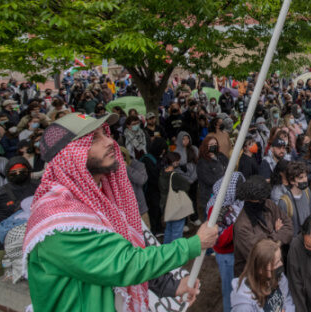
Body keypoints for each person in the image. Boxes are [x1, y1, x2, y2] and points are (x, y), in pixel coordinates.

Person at [24, 112, 218, 311]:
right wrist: (195, 243)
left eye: (105, 133)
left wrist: (172, 286)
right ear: (71, 155)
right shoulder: (60, 219)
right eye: (94, 138)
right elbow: (126, 263)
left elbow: (133, 248)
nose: (109, 141)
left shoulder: (98, 198)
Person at [0, 156, 38, 310]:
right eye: (13, 172)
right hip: (1, 244)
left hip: (34, 240)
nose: (18, 174)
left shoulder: (39, 187)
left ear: (28, 171)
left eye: (22, 171)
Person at [233, 175, 293, 276]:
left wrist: (268, 240)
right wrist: (276, 232)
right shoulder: (242, 226)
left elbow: (289, 227)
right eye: (260, 200)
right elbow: (261, 255)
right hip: (254, 277)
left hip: (275, 269)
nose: (263, 201)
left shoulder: (268, 204)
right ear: (249, 199)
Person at [207, 172, 245, 312]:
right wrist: (238, 224)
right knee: (229, 291)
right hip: (226, 256)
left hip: (238, 252)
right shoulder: (215, 209)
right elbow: (219, 240)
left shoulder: (236, 202)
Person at [230, 238, 295, 312]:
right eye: (276, 263)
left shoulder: (279, 276)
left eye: (280, 259)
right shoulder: (244, 306)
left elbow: (288, 299)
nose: (281, 264)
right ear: (261, 269)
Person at [159, 151, 193, 244]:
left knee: (169, 230)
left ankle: (166, 251)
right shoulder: (174, 176)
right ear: (173, 162)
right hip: (176, 207)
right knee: (177, 232)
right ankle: (176, 253)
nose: (178, 163)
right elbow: (186, 185)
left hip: (166, 206)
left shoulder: (162, 173)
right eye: (177, 161)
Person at [278, 161, 311, 235]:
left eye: (305, 176)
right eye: (301, 178)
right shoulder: (284, 202)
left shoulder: (307, 191)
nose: (305, 180)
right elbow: (284, 227)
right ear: (292, 181)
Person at [197, 135, 229, 218]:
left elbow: (229, 167)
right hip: (209, 196)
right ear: (205, 146)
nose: (214, 146)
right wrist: (224, 181)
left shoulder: (221, 156)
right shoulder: (202, 162)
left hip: (223, 194)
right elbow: (208, 180)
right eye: (211, 144)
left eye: (215, 144)